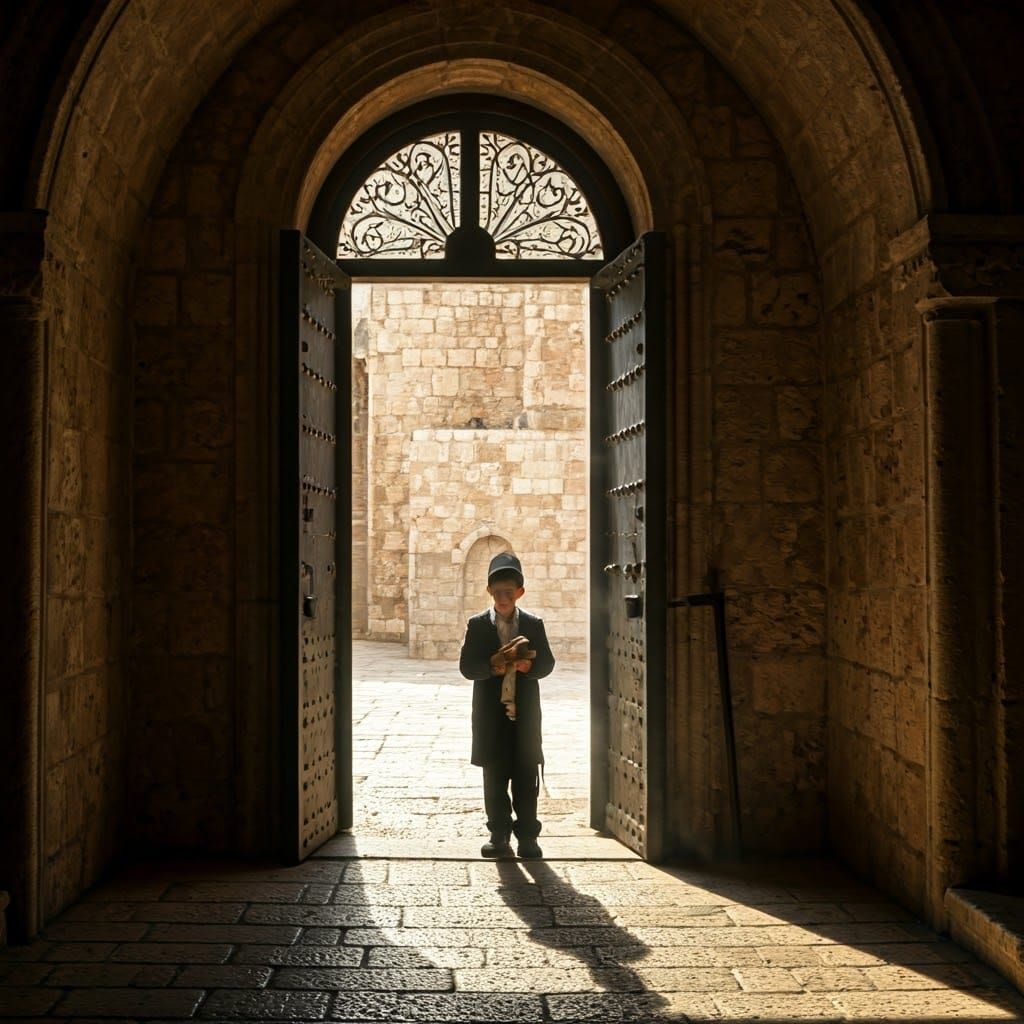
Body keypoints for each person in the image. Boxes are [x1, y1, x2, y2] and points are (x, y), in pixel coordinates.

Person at [459, 552, 555, 859]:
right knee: (495, 775)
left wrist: (528, 668)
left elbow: (548, 664)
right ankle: (498, 833)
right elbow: (467, 667)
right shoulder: (477, 626)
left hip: (524, 716)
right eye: (497, 591)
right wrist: (492, 666)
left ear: (519, 593)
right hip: (491, 717)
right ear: (489, 592)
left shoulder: (533, 624)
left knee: (527, 775)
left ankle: (527, 835)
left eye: (508, 592)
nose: (503, 597)